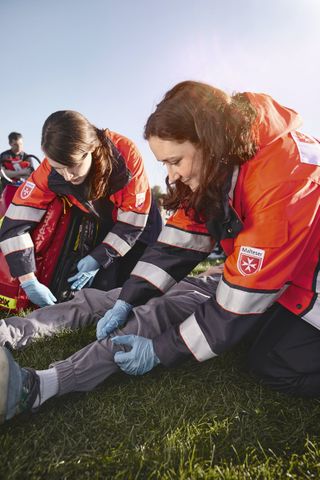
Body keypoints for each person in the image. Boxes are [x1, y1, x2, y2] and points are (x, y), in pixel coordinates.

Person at [1, 80, 320, 424]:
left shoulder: (281, 179)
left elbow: (238, 304)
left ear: (209, 141)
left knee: (269, 361)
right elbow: (179, 242)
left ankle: (40, 387)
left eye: (175, 161)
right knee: (116, 300)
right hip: (262, 277)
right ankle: (10, 332)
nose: (171, 175)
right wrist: (129, 297)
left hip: (302, 295)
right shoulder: (227, 158)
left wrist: (160, 351)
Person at [0, 111, 162, 307]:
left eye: (73, 166)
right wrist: (29, 282)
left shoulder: (125, 155)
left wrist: (100, 257)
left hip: (140, 223)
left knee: (139, 291)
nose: (67, 176)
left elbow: (132, 221)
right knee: (102, 292)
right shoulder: (48, 169)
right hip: (100, 220)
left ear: (92, 149)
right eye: (58, 168)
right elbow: (14, 224)